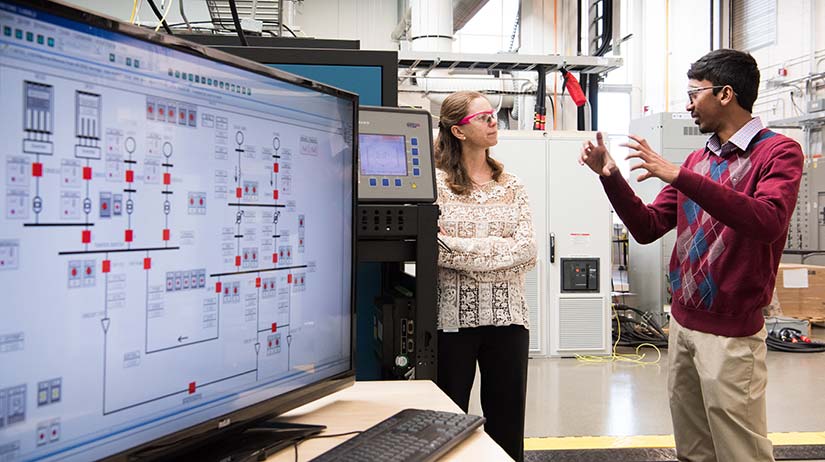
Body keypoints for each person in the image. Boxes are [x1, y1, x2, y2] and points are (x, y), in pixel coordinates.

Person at [580, 49, 803, 462]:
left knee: (741, 453)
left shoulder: (778, 153)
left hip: (732, 335)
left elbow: (768, 221)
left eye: (693, 93)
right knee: (693, 451)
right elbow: (647, 228)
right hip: (682, 325)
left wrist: (681, 176)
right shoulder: (698, 160)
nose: (687, 104)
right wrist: (610, 176)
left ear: (725, 94)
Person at [434, 90, 537, 462]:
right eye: (483, 117)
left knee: (508, 425)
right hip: (451, 322)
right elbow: (434, 249)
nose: (494, 121)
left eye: (493, 114)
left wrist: (459, 249)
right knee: (446, 424)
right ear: (459, 132)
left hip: (509, 320)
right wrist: (497, 249)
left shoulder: (512, 186)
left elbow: (526, 252)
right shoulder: (436, 185)